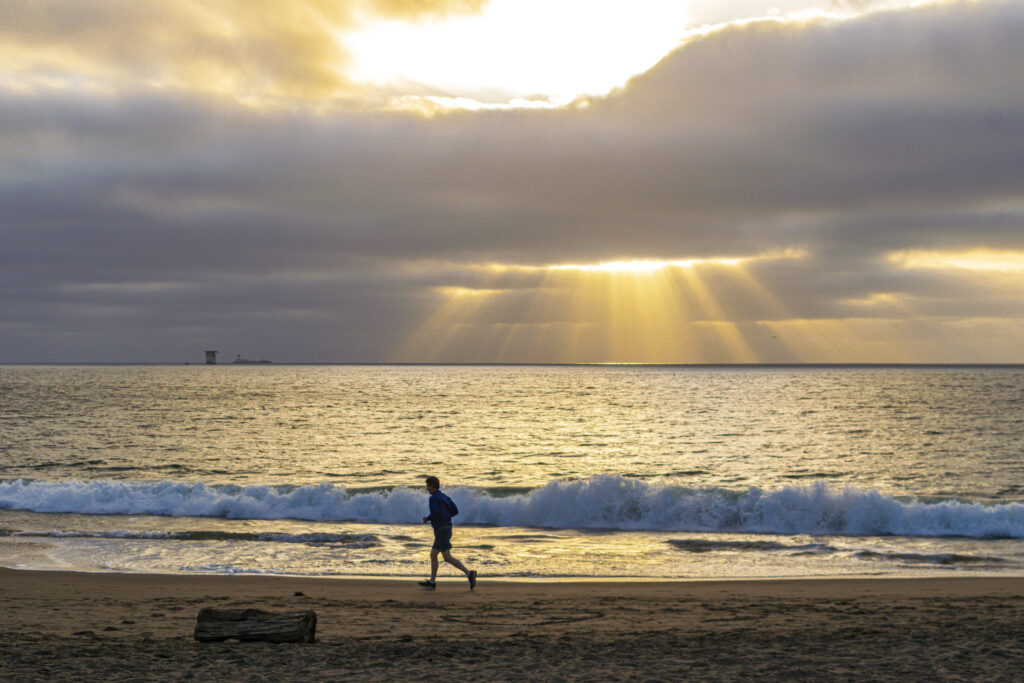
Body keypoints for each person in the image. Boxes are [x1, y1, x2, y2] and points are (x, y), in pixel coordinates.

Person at [419, 475, 476, 590]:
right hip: (446, 528)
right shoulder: (445, 497)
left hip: (441, 530)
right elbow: (455, 510)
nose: (427, 489)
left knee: (447, 557)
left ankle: (469, 574)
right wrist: (446, 518)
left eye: (428, 486)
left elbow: (435, 514)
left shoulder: (433, 498)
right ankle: (432, 582)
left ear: (433, 485)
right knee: (433, 555)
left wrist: (427, 519)